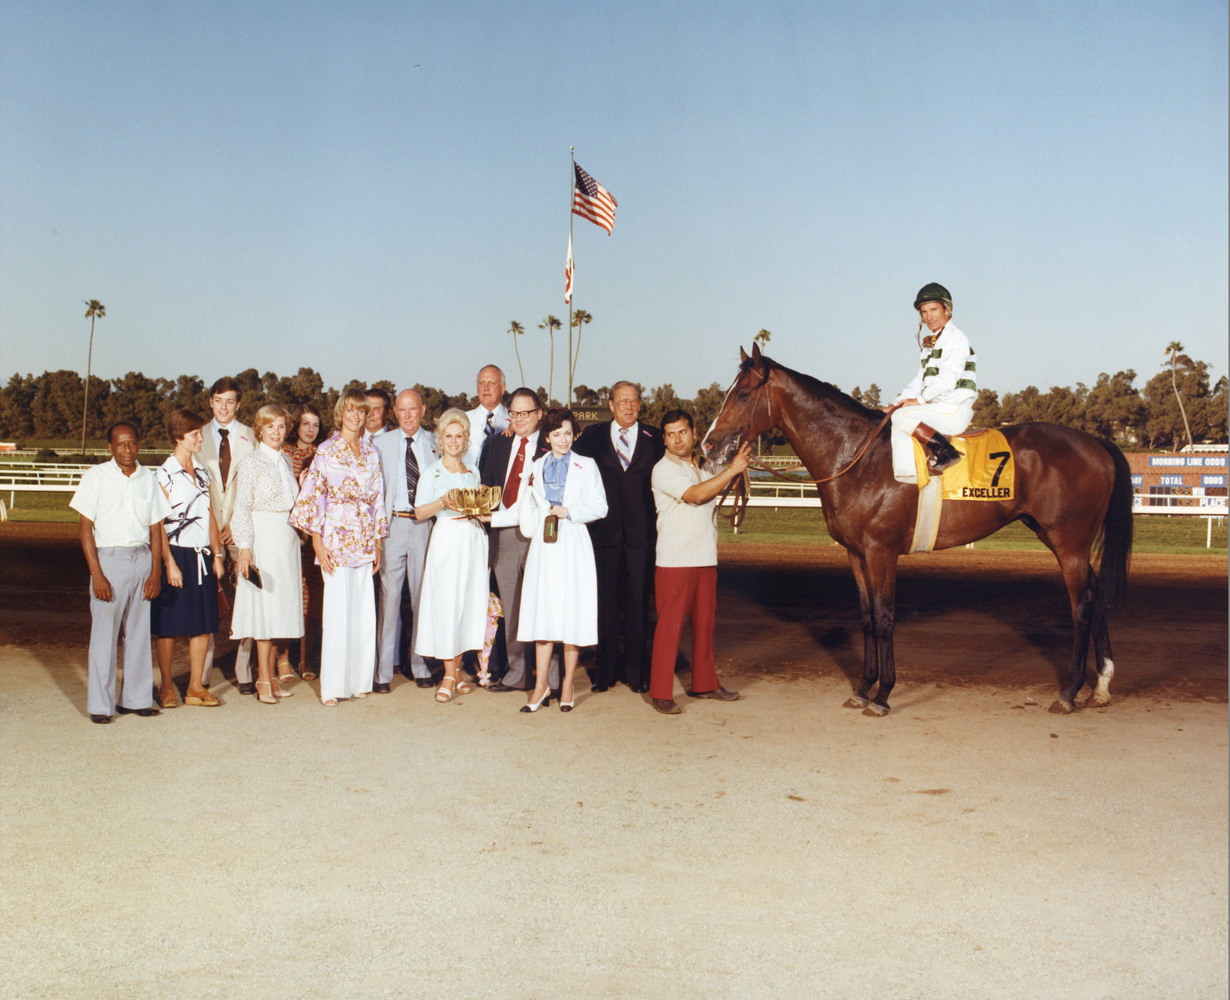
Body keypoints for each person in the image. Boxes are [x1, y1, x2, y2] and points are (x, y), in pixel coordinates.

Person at [648, 410, 751, 714]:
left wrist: (734, 471)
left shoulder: (704, 466)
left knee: (705, 624)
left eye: (682, 432)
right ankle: (661, 692)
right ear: (664, 438)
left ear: (694, 433)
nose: (677, 439)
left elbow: (715, 486)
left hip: (705, 555)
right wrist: (732, 471)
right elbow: (694, 496)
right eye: (670, 434)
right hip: (675, 559)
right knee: (670, 626)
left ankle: (705, 683)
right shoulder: (663, 469)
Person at [291, 388, 388, 706]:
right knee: (336, 615)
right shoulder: (326, 450)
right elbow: (312, 497)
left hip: (363, 541)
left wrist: (378, 544)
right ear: (341, 413)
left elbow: (378, 499)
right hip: (334, 541)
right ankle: (332, 686)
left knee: (362, 614)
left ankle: (360, 681)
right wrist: (317, 542)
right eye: (350, 410)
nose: (356, 416)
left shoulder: (372, 452)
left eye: (362, 411)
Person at [69, 421, 171, 724]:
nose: (127, 450)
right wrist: (97, 574)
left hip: (142, 559)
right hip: (108, 560)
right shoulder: (96, 477)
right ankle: (101, 705)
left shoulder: (148, 478)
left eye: (132, 443)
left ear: (139, 444)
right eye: (121, 444)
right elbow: (85, 528)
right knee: (104, 635)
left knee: (139, 633)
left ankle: (136, 699)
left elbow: (155, 529)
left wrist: (155, 572)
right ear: (111, 447)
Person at [573, 381, 665, 693]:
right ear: (610, 405)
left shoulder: (655, 438)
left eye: (634, 400)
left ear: (641, 404)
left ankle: (636, 674)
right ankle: (605, 673)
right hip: (603, 536)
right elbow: (569, 466)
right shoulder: (592, 437)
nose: (628, 406)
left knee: (639, 607)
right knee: (606, 606)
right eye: (622, 401)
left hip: (642, 538)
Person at [516, 407, 608, 713]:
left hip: (573, 541)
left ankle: (568, 683)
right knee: (543, 612)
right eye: (557, 434)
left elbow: (601, 507)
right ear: (547, 436)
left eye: (568, 433)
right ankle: (541, 685)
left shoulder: (587, 465)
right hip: (544, 543)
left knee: (572, 613)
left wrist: (570, 512)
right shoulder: (536, 466)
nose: (563, 440)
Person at [413, 409, 491, 703]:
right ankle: (447, 673)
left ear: (466, 440)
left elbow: (480, 510)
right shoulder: (431, 472)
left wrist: (484, 506)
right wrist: (441, 501)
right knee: (447, 604)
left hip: (472, 539)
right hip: (446, 538)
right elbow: (420, 512)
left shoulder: (473, 473)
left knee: (468, 604)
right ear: (440, 440)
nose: (454, 441)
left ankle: (457, 671)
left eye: (459, 436)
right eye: (449, 436)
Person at [150, 408, 226, 709]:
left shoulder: (204, 471)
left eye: (200, 432)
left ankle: (195, 688)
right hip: (175, 553)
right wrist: (169, 562)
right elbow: (156, 523)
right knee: (168, 625)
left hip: (203, 555)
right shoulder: (163, 474)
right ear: (178, 437)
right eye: (195, 434)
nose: (200, 438)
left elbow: (208, 515)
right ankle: (166, 687)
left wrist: (217, 554)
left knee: (203, 625)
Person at [230, 404, 306, 704]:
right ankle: (262, 679)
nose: (276, 432)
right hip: (263, 539)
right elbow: (241, 509)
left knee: (281, 611)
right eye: (270, 427)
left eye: (281, 427)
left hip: (286, 541)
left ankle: (273, 678)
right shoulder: (251, 463)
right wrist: (245, 548)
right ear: (259, 429)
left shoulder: (285, 460)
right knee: (265, 611)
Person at [478, 387, 548, 693]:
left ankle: (551, 677)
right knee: (512, 604)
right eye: (514, 413)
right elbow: (485, 488)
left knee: (545, 603)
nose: (519, 419)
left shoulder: (551, 445)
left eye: (526, 413)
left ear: (539, 414)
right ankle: (518, 673)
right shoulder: (495, 444)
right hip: (504, 535)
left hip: (542, 537)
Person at [375, 388, 438, 692]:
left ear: (423, 410)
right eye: (402, 410)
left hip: (424, 526)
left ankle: (420, 665)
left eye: (413, 410)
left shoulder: (435, 442)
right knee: (390, 601)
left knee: (422, 598)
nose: (408, 416)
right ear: (395, 413)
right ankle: (382, 673)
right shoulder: (380, 443)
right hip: (394, 525)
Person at [885, 282, 977, 484]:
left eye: (934, 309)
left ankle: (945, 450)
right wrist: (896, 402)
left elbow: (948, 380)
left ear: (947, 309)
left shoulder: (956, 339)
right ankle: (906, 479)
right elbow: (919, 380)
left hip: (953, 409)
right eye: (924, 312)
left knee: (901, 417)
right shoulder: (932, 342)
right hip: (937, 408)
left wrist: (918, 401)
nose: (928, 317)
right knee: (895, 415)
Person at [199, 376, 256, 693]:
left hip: (240, 531)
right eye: (219, 400)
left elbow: (252, 485)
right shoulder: (197, 435)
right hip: (204, 532)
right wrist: (211, 529)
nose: (224, 407)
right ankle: (202, 672)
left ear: (238, 404)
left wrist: (236, 523)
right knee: (207, 602)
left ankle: (243, 669)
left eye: (230, 401)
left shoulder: (250, 436)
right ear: (211, 402)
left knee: (248, 597)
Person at [284, 402, 323, 680]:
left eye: (316, 425)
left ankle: (306, 659)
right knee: (288, 597)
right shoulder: (284, 453)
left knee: (312, 599)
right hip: (287, 535)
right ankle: (282, 659)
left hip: (313, 540)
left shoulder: (323, 454)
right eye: (305, 423)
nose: (310, 430)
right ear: (296, 425)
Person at [463, 364, 510, 470]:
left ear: (503, 388)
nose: (485, 388)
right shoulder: (462, 420)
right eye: (481, 383)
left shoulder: (515, 421)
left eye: (492, 383)